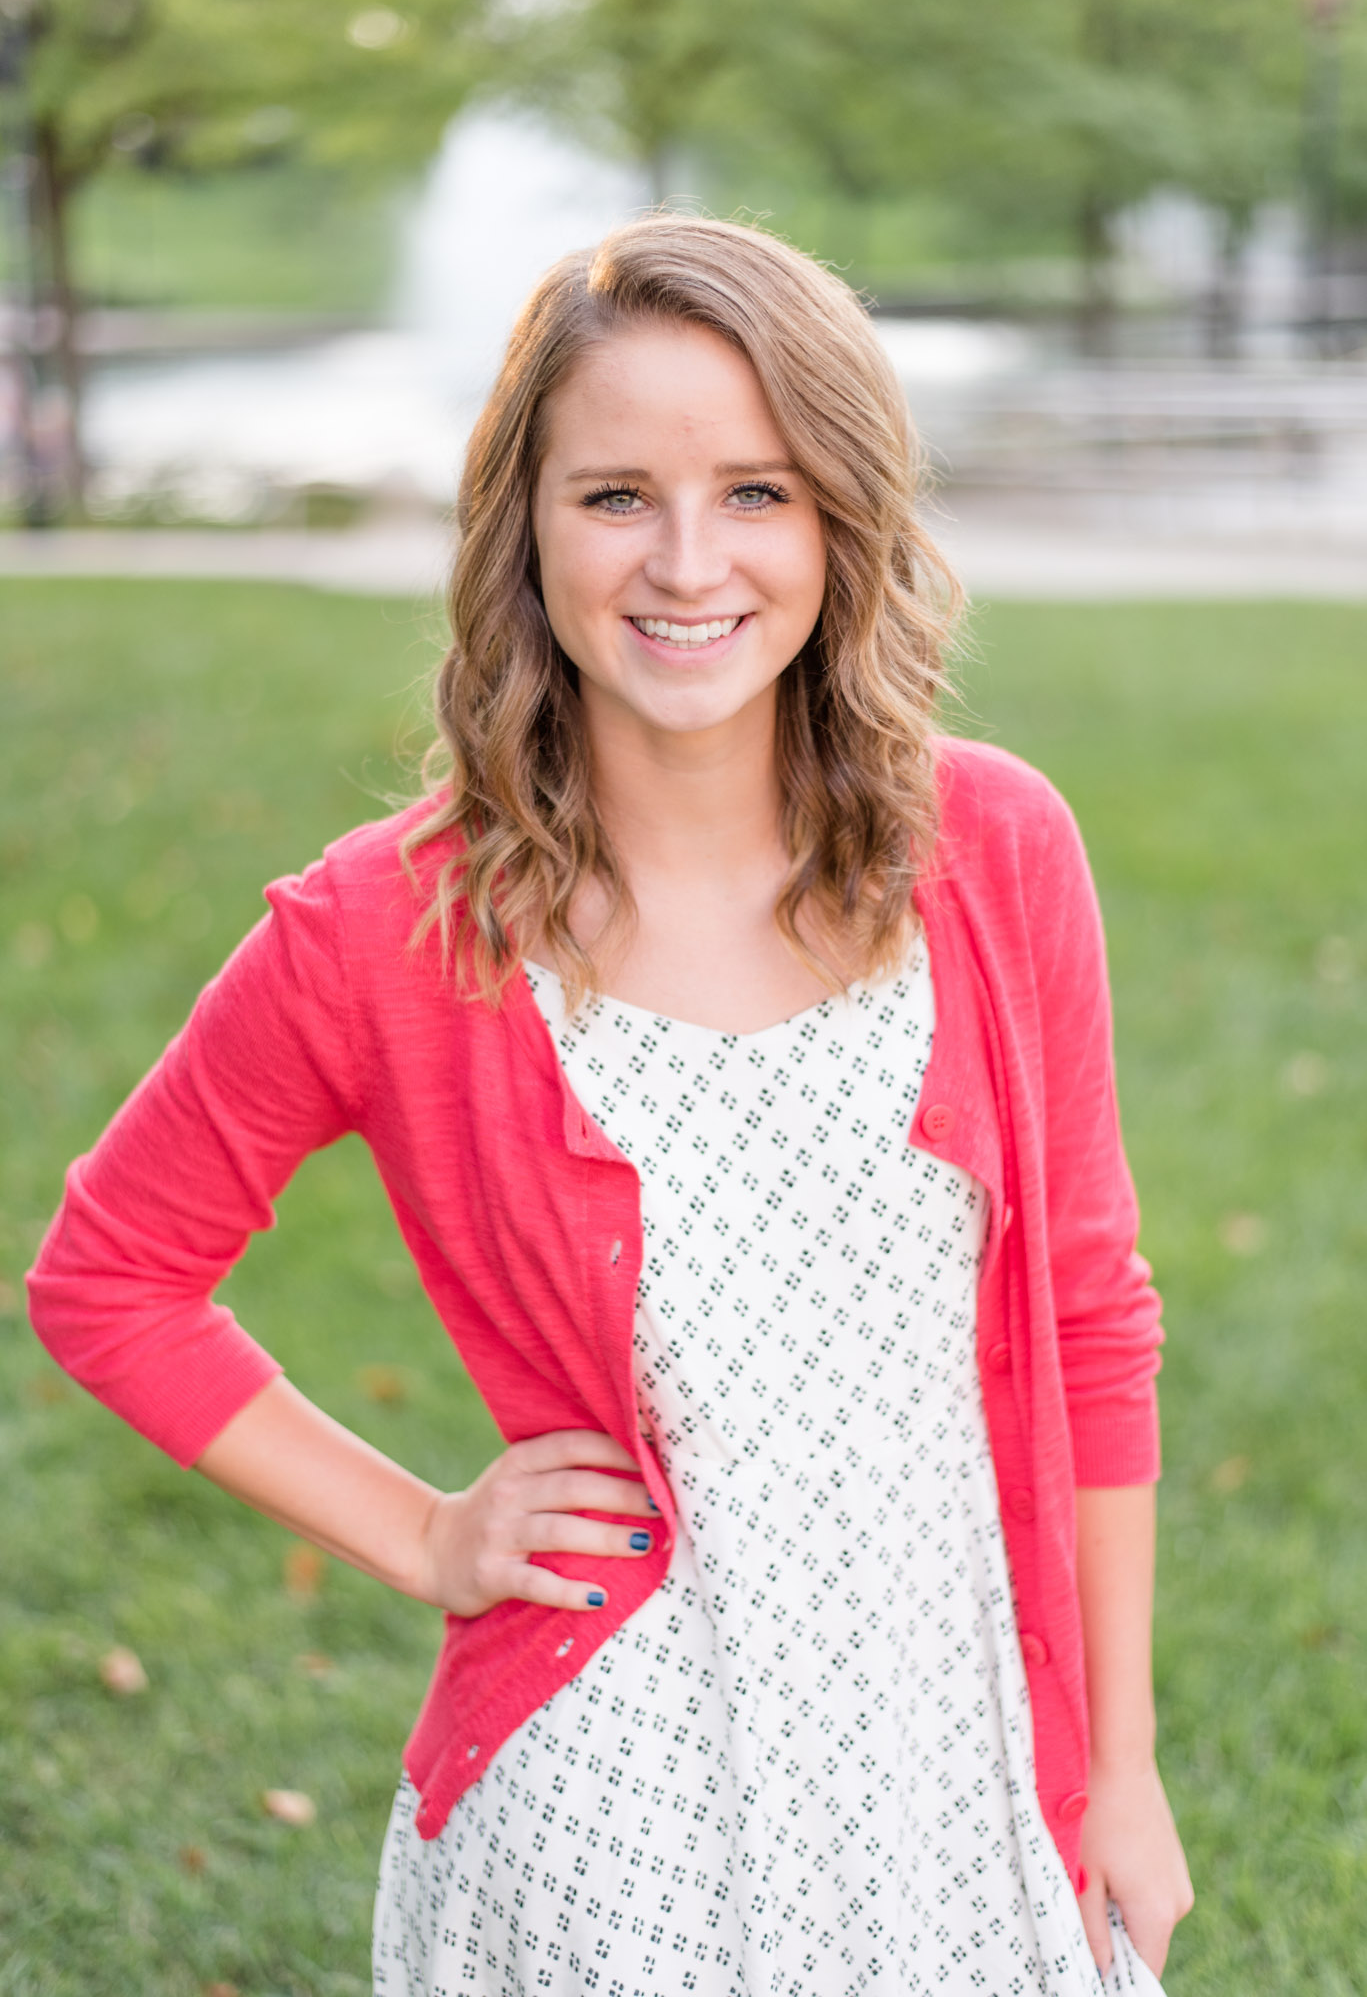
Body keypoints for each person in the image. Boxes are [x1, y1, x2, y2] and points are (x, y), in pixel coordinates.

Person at [28, 215, 1193, 1996]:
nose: (687, 561)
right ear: (526, 531)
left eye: (757, 491)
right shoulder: (386, 925)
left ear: (842, 520)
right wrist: (424, 1530)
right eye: (615, 496)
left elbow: (1094, 1325)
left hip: (955, 1772)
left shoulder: (996, 851)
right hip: (615, 1813)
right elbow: (109, 1278)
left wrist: (1122, 1768)